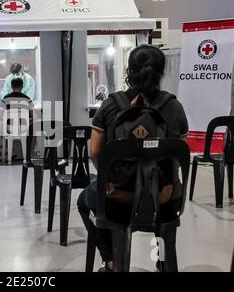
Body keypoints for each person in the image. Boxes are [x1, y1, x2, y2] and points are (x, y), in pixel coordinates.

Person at [77, 45, 189, 272]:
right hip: (165, 200)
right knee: (164, 209)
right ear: (162, 72)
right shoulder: (174, 107)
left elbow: (96, 154)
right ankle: (164, 260)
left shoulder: (109, 106)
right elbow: (181, 156)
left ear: (128, 71)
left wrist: (110, 180)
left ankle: (112, 261)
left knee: (83, 201)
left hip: (118, 200)